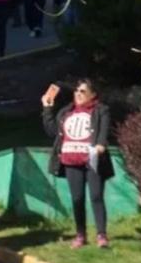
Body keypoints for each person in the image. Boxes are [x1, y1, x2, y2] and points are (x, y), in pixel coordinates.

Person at [43, 79, 114, 248]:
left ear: (92, 94)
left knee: (96, 196)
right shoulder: (66, 111)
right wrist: (47, 108)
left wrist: (100, 145)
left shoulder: (101, 110)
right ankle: (80, 235)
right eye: (76, 91)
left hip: (93, 160)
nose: (78, 94)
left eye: (82, 91)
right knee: (77, 199)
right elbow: (52, 131)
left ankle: (101, 235)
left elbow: (104, 131)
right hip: (71, 160)